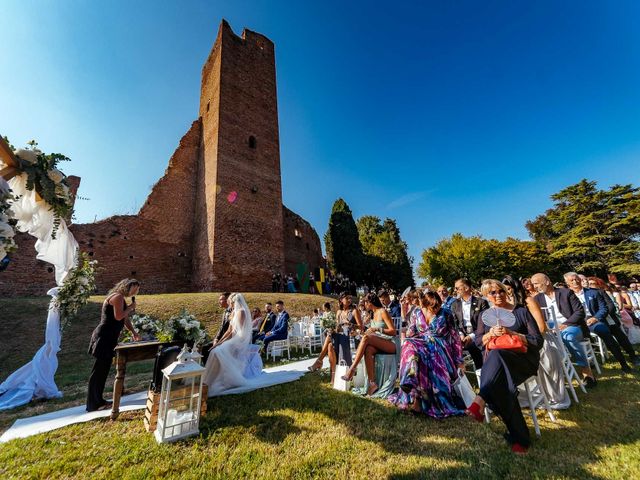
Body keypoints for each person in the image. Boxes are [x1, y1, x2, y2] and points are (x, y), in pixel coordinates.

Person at [466, 280, 543, 454]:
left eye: (500, 290)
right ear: (486, 296)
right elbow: (478, 342)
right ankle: (521, 439)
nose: (498, 295)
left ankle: (480, 399)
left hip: (523, 361)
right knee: (501, 380)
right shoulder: (485, 316)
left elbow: (537, 341)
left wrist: (513, 333)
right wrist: (489, 334)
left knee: (496, 356)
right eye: (492, 293)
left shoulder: (521, 311)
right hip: (498, 365)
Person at [389, 290, 464, 417]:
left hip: (439, 348)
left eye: (438, 306)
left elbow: (455, 338)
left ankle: (418, 400)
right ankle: (410, 379)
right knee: (409, 345)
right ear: (424, 305)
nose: (436, 309)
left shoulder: (446, 313)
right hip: (421, 344)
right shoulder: (416, 313)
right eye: (432, 307)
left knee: (425, 357)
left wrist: (459, 361)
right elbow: (411, 333)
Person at [504, 275, 569, 409]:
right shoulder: (505, 305)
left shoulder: (529, 301)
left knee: (545, 357)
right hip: (520, 341)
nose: (506, 292)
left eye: (509, 288)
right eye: (504, 289)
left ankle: (554, 396)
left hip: (541, 339)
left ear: (515, 288)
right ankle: (527, 394)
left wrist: (526, 338)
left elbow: (541, 327)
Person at [531, 273, 596, 387]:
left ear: (547, 282)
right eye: (533, 284)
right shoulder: (537, 299)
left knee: (568, 337)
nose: (534, 287)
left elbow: (579, 312)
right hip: (550, 328)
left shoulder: (566, 293)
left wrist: (565, 324)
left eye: (536, 283)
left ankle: (587, 373)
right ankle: (554, 377)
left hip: (572, 325)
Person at [86, 278, 140, 412]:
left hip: (109, 337)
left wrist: (133, 332)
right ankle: (94, 404)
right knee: (99, 371)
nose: (135, 292)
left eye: (137, 290)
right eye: (134, 288)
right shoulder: (117, 297)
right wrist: (131, 308)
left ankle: (98, 401)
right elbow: (118, 316)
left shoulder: (120, 298)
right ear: (126, 287)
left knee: (102, 370)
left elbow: (124, 319)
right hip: (104, 337)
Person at [564, 272, 633, 372]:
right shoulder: (565, 296)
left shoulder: (594, 292)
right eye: (572, 280)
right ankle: (587, 364)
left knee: (605, 331)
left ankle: (623, 363)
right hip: (577, 323)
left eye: (576, 279)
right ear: (567, 283)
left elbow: (603, 308)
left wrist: (595, 318)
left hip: (594, 321)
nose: (575, 281)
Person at [341, 292, 396, 396]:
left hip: (389, 344)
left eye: (364, 302)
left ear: (370, 302)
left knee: (366, 338)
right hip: (378, 343)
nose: (363, 305)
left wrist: (377, 329)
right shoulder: (372, 314)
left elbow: (393, 331)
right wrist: (359, 332)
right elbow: (369, 333)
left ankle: (352, 369)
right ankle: (372, 383)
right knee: (368, 349)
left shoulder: (382, 311)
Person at [587, 277, 640, 366]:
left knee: (621, 337)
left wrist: (601, 316)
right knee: (609, 341)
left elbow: (611, 306)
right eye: (589, 284)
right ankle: (621, 360)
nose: (590, 286)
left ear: (598, 284)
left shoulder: (602, 292)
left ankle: (633, 356)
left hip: (609, 318)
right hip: (596, 322)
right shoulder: (586, 295)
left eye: (593, 283)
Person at [451, 278, 489, 369]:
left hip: (478, 334)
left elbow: (485, 323)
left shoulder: (481, 302)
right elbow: (455, 323)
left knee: (475, 349)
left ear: (466, 288)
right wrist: (460, 335)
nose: (455, 290)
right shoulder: (455, 304)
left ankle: (482, 372)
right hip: (462, 337)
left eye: (457, 288)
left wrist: (472, 336)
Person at [308, 301, 350, 382]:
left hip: (343, 338)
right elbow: (337, 327)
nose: (338, 305)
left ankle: (319, 361)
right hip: (336, 336)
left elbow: (342, 328)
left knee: (329, 338)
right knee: (330, 345)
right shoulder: (338, 312)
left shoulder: (348, 312)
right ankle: (332, 376)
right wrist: (332, 329)